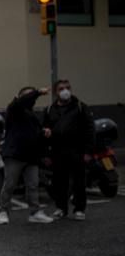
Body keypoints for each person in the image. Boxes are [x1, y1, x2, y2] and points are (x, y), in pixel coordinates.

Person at [0, 87, 55, 225]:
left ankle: (34, 212)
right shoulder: (14, 108)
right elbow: (22, 102)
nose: (32, 99)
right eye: (29, 96)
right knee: (10, 184)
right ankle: (3, 211)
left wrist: (43, 132)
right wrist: (38, 92)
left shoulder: (32, 115)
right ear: (20, 97)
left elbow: (34, 133)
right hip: (14, 154)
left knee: (33, 185)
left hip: (31, 156)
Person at [43, 79, 94, 221]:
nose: (65, 91)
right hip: (58, 152)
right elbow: (45, 132)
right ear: (55, 92)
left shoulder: (80, 107)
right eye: (61, 88)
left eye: (67, 88)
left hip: (77, 150)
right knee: (59, 182)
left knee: (79, 181)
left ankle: (79, 209)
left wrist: (88, 151)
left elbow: (89, 130)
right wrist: (46, 154)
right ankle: (61, 208)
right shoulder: (49, 109)